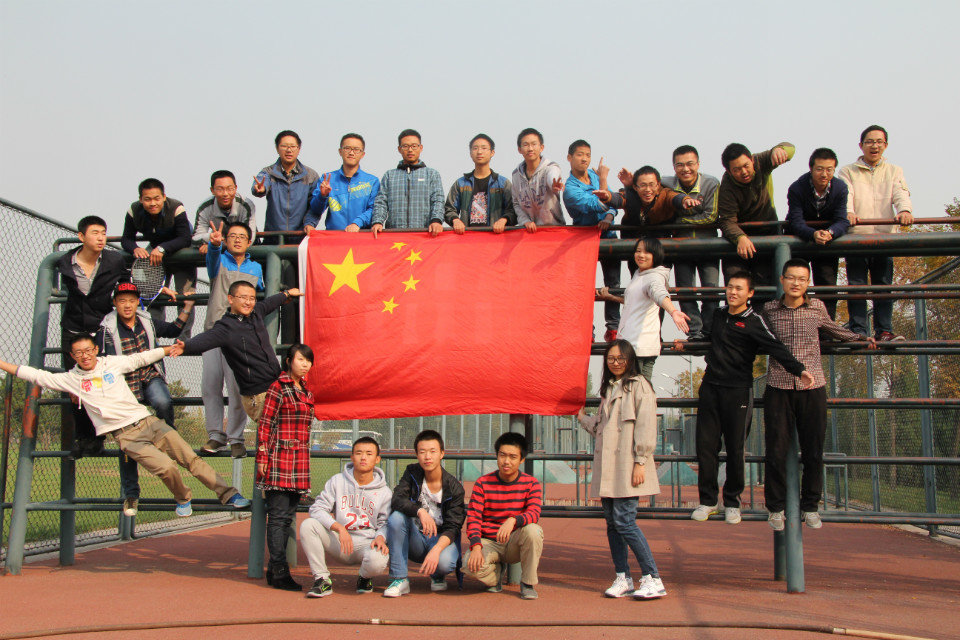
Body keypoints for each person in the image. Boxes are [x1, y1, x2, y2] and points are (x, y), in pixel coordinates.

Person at [0, 334, 251, 516]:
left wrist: (169, 349)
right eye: (79, 353)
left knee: (191, 459)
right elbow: (35, 375)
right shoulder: (71, 379)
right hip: (127, 437)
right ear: (72, 356)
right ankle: (182, 497)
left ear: (95, 349)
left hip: (148, 421)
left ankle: (229, 494)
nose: (85, 356)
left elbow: (140, 358)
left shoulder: (111, 363)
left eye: (88, 350)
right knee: (166, 467)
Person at [675, 271, 813, 525]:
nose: (733, 292)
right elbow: (708, 339)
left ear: (750, 293)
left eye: (739, 288)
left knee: (735, 448)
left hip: (738, 391)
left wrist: (799, 370)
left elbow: (776, 347)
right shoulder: (718, 315)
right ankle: (708, 501)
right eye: (730, 287)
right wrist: (687, 344)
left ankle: (732, 502)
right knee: (706, 447)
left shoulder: (755, 321)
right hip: (710, 388)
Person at [762, 260, 877, 530]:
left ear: (807, 283)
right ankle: (775, 508)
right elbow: (754, 334)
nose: (796, 283)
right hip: (778, 386)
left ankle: (811, 506)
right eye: (791, 278)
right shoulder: (768, 310)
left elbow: (834, 330)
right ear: (782, 279)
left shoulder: (817, 308)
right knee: (776, 451)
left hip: (812, 387)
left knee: (813, 450)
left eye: (802, 279)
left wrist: (861, 339)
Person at [578, 339, 665, 600]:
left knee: (625, 522)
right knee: (613, 524)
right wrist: (581, 417)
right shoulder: (610, 389)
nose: (616, 363)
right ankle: (623, 576)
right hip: (609, 469)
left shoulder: (639, 386)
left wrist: (641, 461)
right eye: (611, 359)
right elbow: (600, 427)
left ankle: (652, 578)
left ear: (630, 360)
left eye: (621, 358)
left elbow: (646, 426)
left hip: (628, 467)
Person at [99, 281, 195, 517]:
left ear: (137, 303)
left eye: (132, 300)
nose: (127, 305)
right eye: (122, 301)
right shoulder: (107, 328)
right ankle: (131, 494)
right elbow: (102, 361)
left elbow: (173, 330)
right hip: (124, 384)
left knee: (162, 401)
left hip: (150, 375)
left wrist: (187, 306)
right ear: (115, 303)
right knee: (128, 441)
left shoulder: (147, 321)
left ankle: (167, 437)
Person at [56, 215, 129, 458]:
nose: (101, 238)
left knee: (102, 384)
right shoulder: (65, 262)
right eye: (95, 233)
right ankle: (85, 439)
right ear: (81, 236)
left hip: (101, 329)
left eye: (103, 233)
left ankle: (105, 435)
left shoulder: (114, 260)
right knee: (75, 388)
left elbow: (126, 286)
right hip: (73, 329)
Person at [180, 281, 302, 426]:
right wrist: (185, 346)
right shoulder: (226, 328)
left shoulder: (256, 313)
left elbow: (269, 303)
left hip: (275, 386)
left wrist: (286, 294)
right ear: (230, 299)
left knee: (289, 430)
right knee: (279, 431)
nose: (248, 302)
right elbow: (205, 339)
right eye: (243, 297)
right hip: (257, 395)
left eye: (252, 298)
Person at [838, 125, 913, 341]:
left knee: (883, 286)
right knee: (857, 287)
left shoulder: (894, 171)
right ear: (861, 145)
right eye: (870, 142)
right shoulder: (848, 171)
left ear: (886, 145)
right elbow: (846, 195)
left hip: (884, 237)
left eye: (879, 142)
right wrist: (848, 212)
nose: (874, 146)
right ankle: (858, 332)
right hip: (857, 236)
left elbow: (900, 193)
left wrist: (905, 210)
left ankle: (884, 331)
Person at [198, 221, 264, 458]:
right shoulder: (219, 260)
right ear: (225, 240)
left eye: (242, 236)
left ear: (249, 241)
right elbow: (212, 259)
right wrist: (214, 246)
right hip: (214, 331)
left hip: (239, 335)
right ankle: (216, 435)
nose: (237, 240)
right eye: (232, 236)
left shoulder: (256, 267)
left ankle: (236, 437)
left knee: (237, 387)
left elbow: (260, 294)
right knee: (210, 385)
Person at [255, 343, 316, 591]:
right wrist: (262, 456)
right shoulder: (278, 387)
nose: (305, 364)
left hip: (299, 460)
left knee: (288, 516)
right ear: (289, 360)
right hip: (280, 457)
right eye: (300, 359)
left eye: (308, 361)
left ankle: (275, 570)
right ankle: (279, 571)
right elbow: (265, 422)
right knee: (278, 517)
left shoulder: (306, 391)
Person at [301, 437, 391, 598]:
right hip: (339, 540)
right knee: (308, 525)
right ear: (352, 457)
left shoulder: (384, 492)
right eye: (359, 453)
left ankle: (364, 578)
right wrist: (338, 527)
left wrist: (380, 537)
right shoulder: (337, 481)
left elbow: (385, 522)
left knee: (378, 559)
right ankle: (322, 580)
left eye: (369, 453)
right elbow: (317, 509)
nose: (363, 457)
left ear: (377, 459)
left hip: (366, 542)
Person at [252, 130, 319, 344]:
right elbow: (260, 186)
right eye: (284, 146)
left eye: (293, 146)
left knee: (293, 300)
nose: (288, 150)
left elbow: (316, 206)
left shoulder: (310, 175)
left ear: (299, 148)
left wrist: (310, 223)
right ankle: (266, 347)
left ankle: (291, 350)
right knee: (269, 297)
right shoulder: (268, 172)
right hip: (273, 241)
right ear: (277, 148)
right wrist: (259, 189)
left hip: (297, 245)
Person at [384, 429, 465, 597]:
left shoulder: (455, 488)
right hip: (417, 539)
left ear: (442, 454)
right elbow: (397, 499)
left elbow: (453, 527)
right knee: (396, 518)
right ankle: (399, 579)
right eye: (422, 452)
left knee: (445, 562)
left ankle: (437, 574)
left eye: (432, 451)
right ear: (417, 454)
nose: (427, 457)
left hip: (440, 539)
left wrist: (436, 550)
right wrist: (419, 511)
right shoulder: (412, 473)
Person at [598, 237, 689, 382]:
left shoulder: (654, 277)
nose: (641, 255)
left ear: (656, 255)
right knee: (641, 391)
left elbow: (659, 293)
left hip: (637, 347)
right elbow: (634, 301)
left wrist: (673, 311)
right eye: (638, 251)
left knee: (633, 391)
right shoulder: (639, 274)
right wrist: (611, 297)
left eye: (647, 252)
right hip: (637, 346)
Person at [464, 432, 543, 600]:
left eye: (513, 457)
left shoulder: (531, 483)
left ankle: (527, 583)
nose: (506, 461)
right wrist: (476, 546)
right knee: (468, 565)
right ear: (497, 455)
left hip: (515, 542)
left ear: (522, 459)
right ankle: (496, 576)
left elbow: (534, 513)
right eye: (502, 455)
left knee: (533, 531)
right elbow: (474, 518)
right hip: (489, 542)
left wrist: (513, 520)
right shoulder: (483, 483)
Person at [121, 178, 195, 337]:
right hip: (155, 252)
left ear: (164, 197)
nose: (152, 203)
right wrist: (135, 249)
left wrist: (163, 248)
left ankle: (184, 341)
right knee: (152, 294)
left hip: (181, 250)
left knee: (185, 297)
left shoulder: (176, 208)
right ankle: (152, 337)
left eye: (156, 198)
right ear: (141, 199)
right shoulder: (134, 210)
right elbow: (126, 239)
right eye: (147, 199)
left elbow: (185, 238)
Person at [562, 139, 620, 341]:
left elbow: (613, 203)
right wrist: (604, 181)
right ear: (569, 158)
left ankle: (613, 328)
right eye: (580, 154)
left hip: (609, 237)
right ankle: (588, 330)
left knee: (613, 284)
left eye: (588, 155)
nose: (584, 159)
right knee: (585, 287)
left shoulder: (594, 176)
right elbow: (600, 204)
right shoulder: (570, 189)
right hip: (584, 241)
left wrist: (609, 218)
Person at [717, 142, 795, 290]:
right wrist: (740, 237)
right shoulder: (727, 187)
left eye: (746, 166)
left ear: (752, 160)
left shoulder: (761, 161)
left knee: (764, 286)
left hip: (767, 232)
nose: (744, 172)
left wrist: (780, 150)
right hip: (739, 238)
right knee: (735, 283)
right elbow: (727, 220)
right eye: (737, 169)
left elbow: (790, 148)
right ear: (729, 171)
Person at [661, 145, 721, 340]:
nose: (685, 169)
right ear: (674, 167)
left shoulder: (711, 183)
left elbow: (711, 216)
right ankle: (694, 332)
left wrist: (679, 220)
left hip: (708, 246)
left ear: (698, 164)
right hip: (681, 248)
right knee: (685, 292)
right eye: (680, 165)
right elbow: (646, 185)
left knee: (711, 290)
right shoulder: (666, 183)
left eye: (690, 164)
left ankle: (709, 331)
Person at [785, 149, 850, 320]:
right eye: (819, 169)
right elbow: (795, 221)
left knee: (827, 286)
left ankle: (827, 327)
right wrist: (813, 234)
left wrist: (830, 233)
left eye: (829, 169)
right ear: (811, 168)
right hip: (801, 243)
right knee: (796, 284)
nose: (824, 174)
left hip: (826, 243)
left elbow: (842, 220)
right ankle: (796, 322)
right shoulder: (797, 188)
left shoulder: (840, 188)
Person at [600, 166, 698, 275]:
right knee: (637, 280)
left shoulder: (664, 194)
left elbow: (675, 198)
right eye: (643, 185)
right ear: (635, 187)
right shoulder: (631, 196)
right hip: (636, 251)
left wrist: (685, 200)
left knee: (657, 280)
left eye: (651, 185)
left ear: (658, 185)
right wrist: (606, 196)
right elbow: (618, 199)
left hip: (659, 251)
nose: (648, 189)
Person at [371, 129, 444, 238]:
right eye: (405, 146)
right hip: (395, 236)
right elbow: (381, 202)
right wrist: (378, 221)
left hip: (424, 235)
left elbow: (438, 200)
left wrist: (436, 220)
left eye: (414, 146)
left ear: (421, 148)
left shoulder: (432, 174)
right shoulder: (389, 175)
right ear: (399, 149)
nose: (410, 150)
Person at [305, 133, 380, 232]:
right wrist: (322, 196)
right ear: (340, 151)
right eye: (347, 148)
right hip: (335, 237)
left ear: (362, 154)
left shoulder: (372, 181)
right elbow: (315, 210)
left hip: (362, 236)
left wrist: (357, 223)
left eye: (356, 149)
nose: (351, 153)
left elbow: (374, 209)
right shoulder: (328, 179)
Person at [443, 133, 516, 235]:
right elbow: (449, 209)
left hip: (495, 238)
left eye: (484, 148)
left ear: (492, 152)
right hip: (468, 238)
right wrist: (455, 220)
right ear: (470, 153)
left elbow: (514, 209)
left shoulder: (502, 183)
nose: (479, 152)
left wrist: (504, 220)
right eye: (475, 148)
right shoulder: (461, 184)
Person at [512, 128, 565, 232]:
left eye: (534, 144)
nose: (530, 148)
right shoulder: (516, 175)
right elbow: (516, 203)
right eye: (526, 145)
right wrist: (525, 221)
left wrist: (553, 184)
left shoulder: (550, 167)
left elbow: (552, 176)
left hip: (553, 230)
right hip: (530, 232)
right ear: (519, 149)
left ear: (541, 147)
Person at [193, 170, 257, 254]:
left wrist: (214, 244)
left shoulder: (246, 205)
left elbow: (249, 238)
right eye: (220, 189)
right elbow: (195, 239)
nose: (225, 194)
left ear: (236, 188)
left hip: (246, 253)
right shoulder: (204, 208)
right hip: (219, 255)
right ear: (212, 190)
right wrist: (211, 237)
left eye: (230, 189)